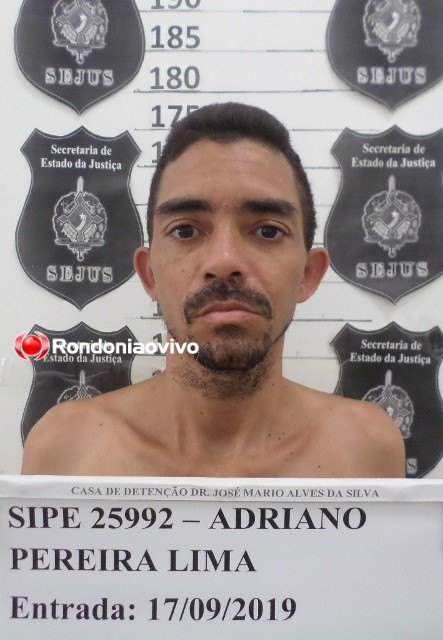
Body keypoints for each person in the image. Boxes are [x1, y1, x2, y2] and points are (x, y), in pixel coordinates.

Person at [21, 103, 405, 477]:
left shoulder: (366, 449)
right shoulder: (66, 449)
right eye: (185, 230)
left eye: (268, 230)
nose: (224, 260)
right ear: (149, 274)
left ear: (308, 273)